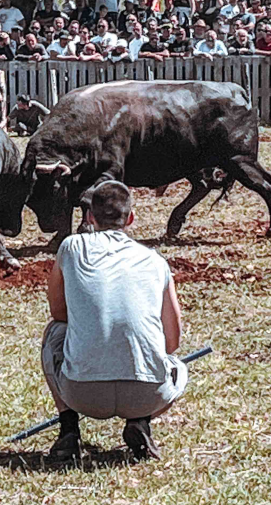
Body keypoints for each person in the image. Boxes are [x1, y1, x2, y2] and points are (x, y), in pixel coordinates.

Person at [41, 181, 185, 461]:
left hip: (81, 394)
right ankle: (140, 422)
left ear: (89, 217)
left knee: (54, 333)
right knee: (179, 369)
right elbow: (172, 341)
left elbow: (58, 313)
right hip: (148, 394)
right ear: (130, 218)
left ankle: (68, 430)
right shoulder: (156, 261)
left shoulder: (71, 247)